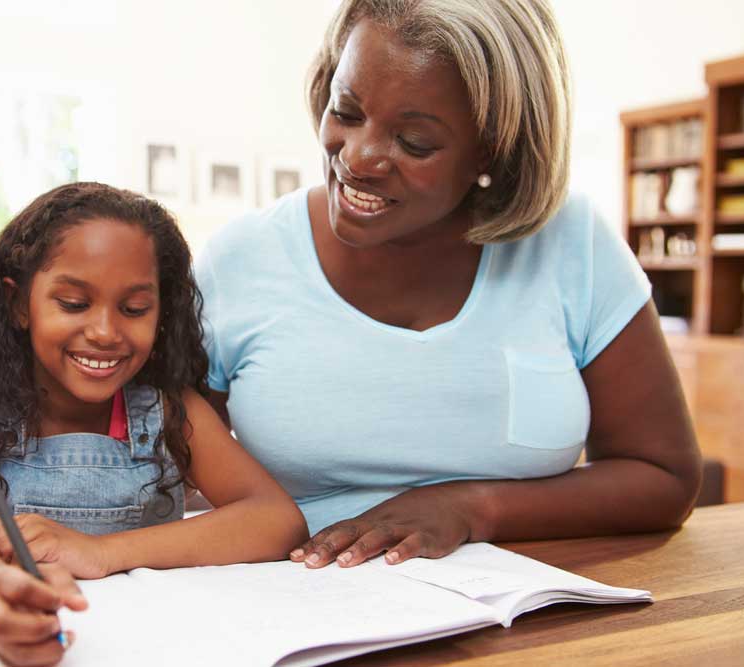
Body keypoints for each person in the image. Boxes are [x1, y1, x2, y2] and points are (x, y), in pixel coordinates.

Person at [196, 0, 701, 572]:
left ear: (493, 147)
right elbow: (154, 475)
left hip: (520, 620)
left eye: (413, 142)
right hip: (295, 609)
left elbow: (664, 479)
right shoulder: (239, 260)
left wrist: (472, 507)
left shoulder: (571, 242)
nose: (358, 159)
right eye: (347, 111)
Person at [0, 182, 307, 667]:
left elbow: (276, 519)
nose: (104, 332)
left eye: (135, 309)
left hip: (152, 648)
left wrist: (101, 553)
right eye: (74, 304)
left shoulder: (168, 411)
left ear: (162, 312)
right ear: (18, 304)